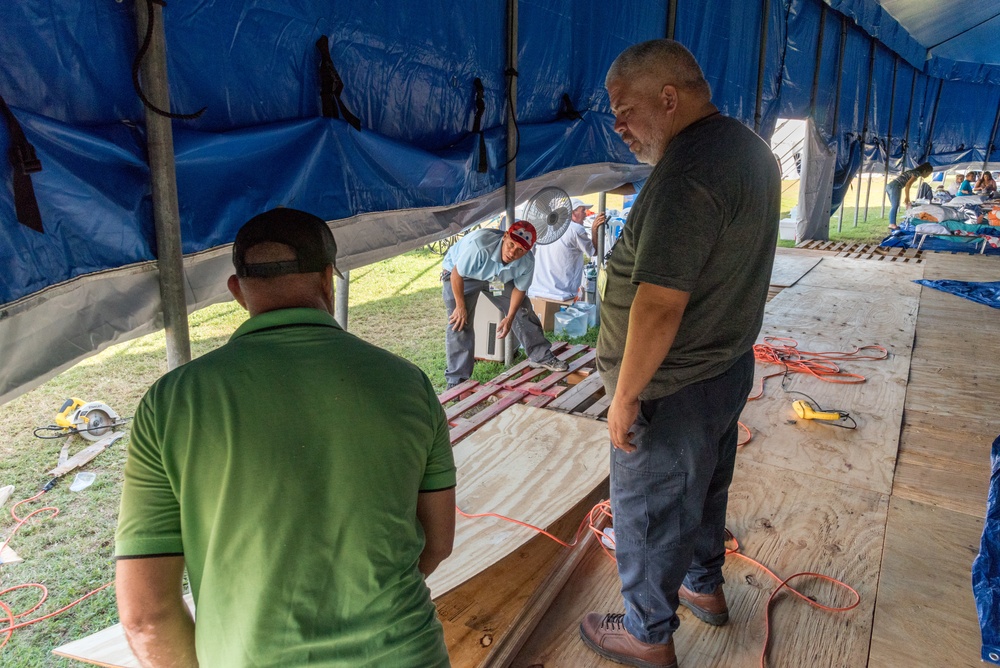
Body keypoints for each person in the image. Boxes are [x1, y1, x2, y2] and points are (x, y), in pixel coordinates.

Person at [115, 208, 456, 667]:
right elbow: (437, 543)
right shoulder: (408, 382)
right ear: (327, 280)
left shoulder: (171, 402)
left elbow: (146, 617)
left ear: (237, 291)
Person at [578, 40, 780, 668]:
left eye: (625, 109)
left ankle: (647, 635)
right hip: (723, 366)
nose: (619, 125)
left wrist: (625, 396)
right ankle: (704, 585)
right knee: (705, 488)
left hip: (671, 384)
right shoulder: (745, 146)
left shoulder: (689, 172)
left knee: (648, 510)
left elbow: (659, 304)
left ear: (669, 98)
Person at [441, 221, 567, 389]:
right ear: (505, 236)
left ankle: (541, 356)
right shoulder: (480, 247)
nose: (512, 252)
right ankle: (457, 381)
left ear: (527, 251)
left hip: (494, 278)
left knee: (522, 309)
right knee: (459, 321)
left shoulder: (527, 262)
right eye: (511, 245)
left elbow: (519, 290)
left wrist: (509, 317)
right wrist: (460, 306)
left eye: (520, 250)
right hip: (461, 275)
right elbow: (457, 273)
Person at [528, 198, 606, 302]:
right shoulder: (576, 229)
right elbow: (594, 252)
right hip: (561, 294)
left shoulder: (548, 228)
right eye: (583, 210)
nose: (585, 214)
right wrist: (594, 230)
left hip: (536, 291)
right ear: (573, 213)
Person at [885, 162, 933, 230]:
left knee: (894, 205)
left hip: (890, 186)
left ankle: (892, 223)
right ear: (925, 171)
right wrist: (907, 198)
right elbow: (908, 185)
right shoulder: (916, 173)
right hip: (895, 186)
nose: (928, 176)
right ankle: (892, 224)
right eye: (928, 173)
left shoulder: (913, 171)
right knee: (895, 206)